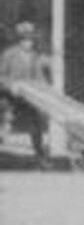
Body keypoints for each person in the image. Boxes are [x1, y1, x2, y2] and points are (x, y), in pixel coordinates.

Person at [1, 21, 56, 156]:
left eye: (30, 39)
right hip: (10, 94)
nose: (28, 42)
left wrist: (46, 90)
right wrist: (10, 85)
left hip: (28, 96)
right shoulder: (9, 55)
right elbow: (1, 75)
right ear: (19, 40)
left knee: (37, 119)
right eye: (25, 39)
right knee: (4, 111)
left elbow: (39, 79)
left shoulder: (34, 57)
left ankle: (39, 153)